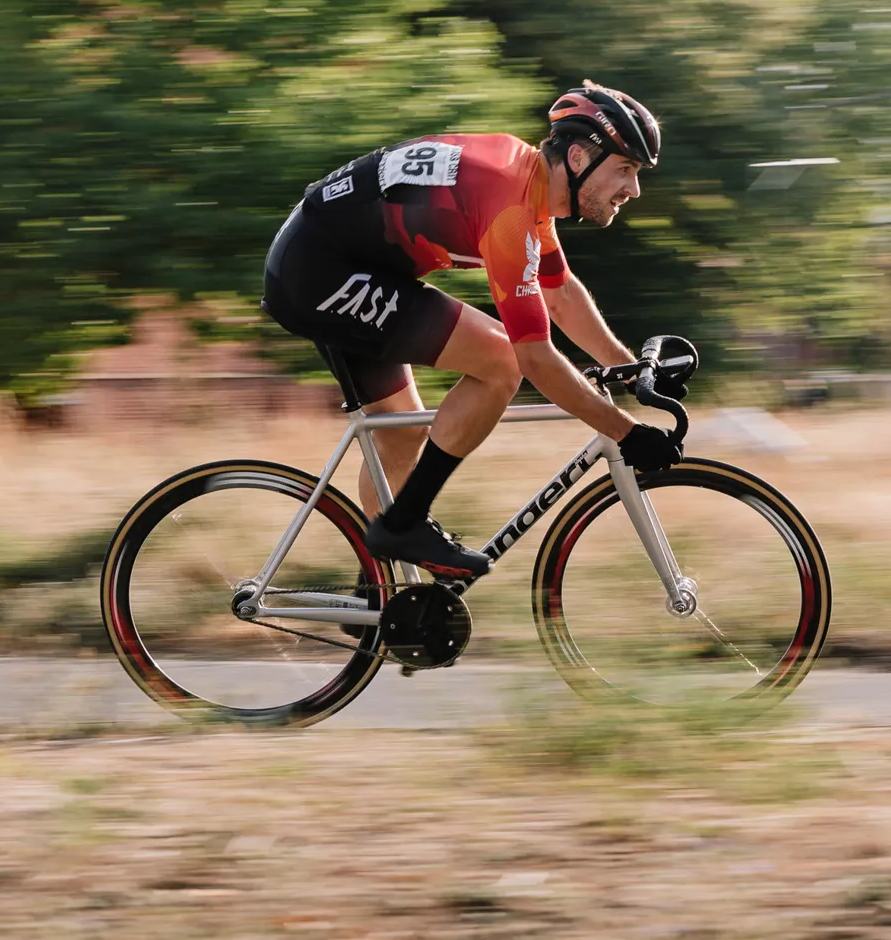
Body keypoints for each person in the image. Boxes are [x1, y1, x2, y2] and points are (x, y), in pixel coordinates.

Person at [261, 80, 682, 579]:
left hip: (338, 264)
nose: (633, 189)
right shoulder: (510, 210)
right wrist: (624, 431)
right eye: (625, 170)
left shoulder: (528, 183)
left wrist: (628, 369)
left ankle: (377, 598)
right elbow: (534, 358)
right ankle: (403, 521)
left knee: (404, 435)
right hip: (319, 272)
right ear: (576, 158)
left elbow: (561, 293)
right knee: (501, 360)